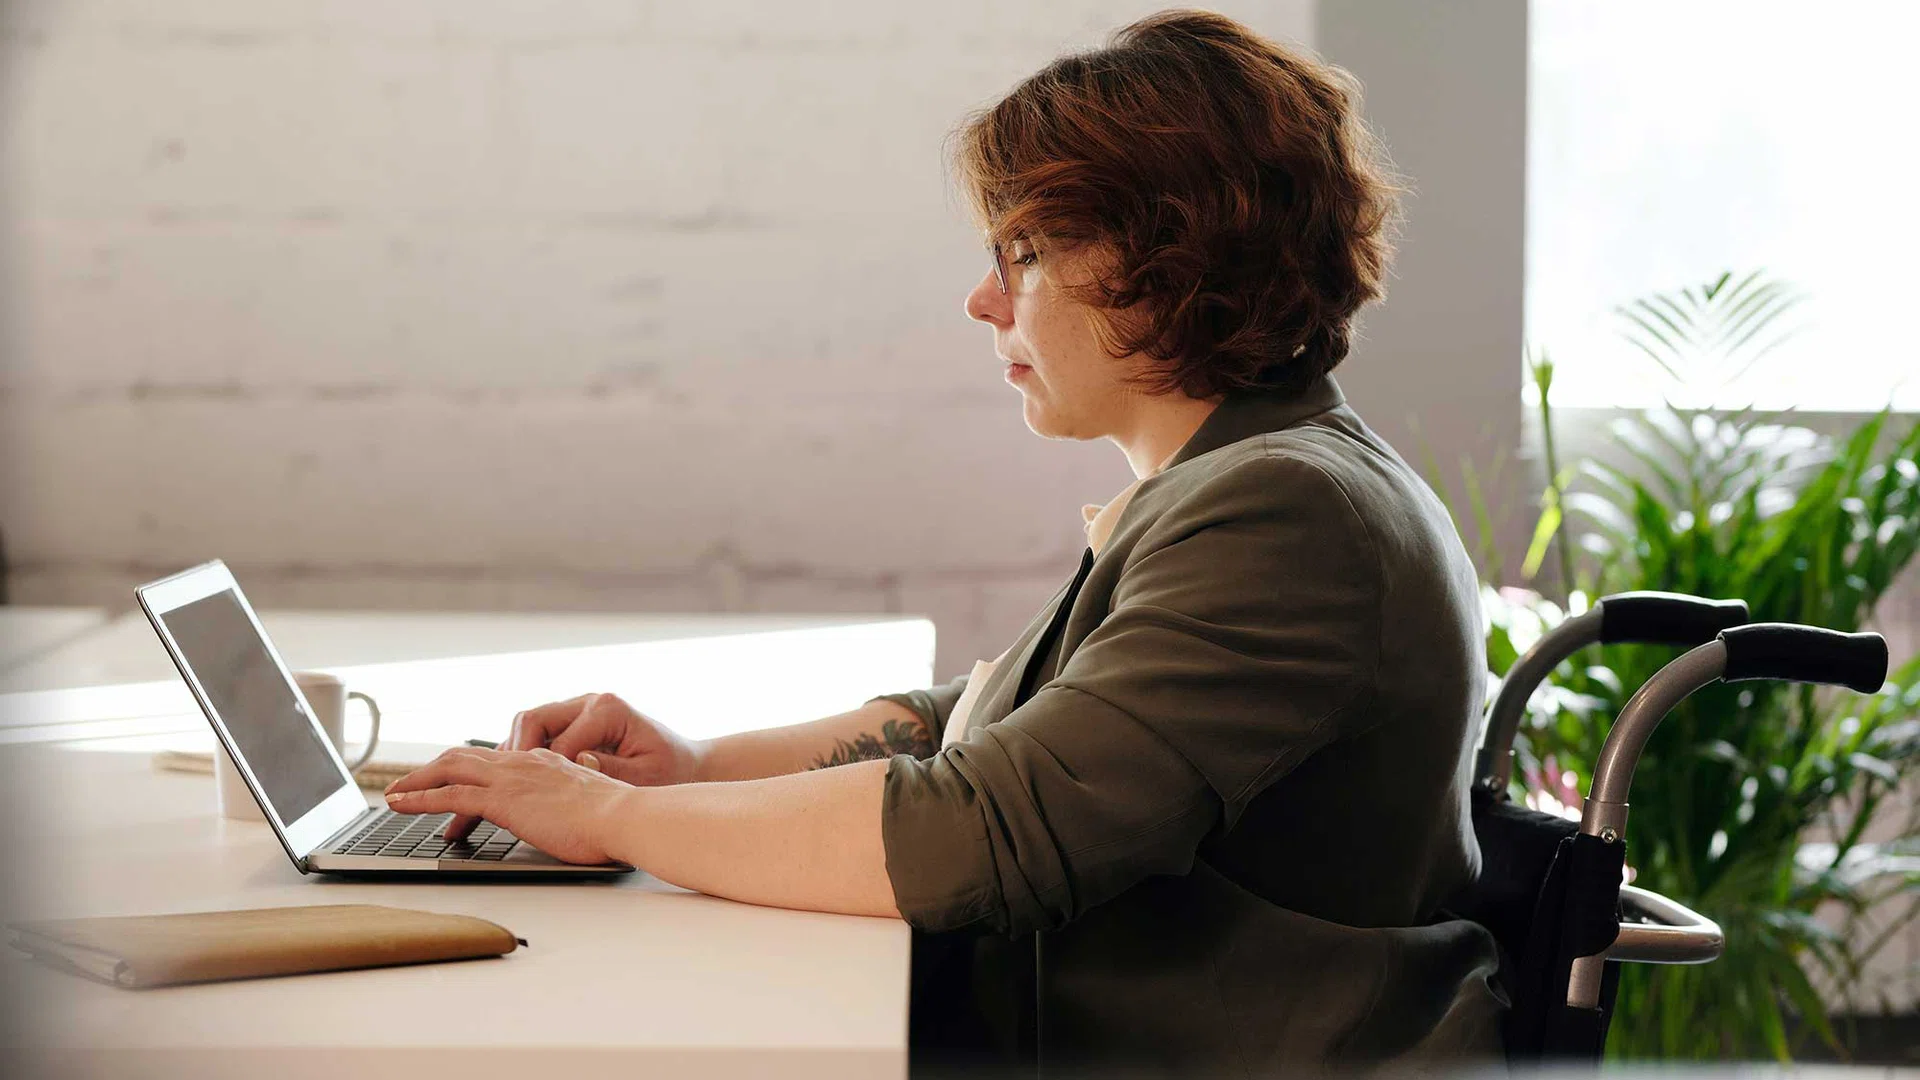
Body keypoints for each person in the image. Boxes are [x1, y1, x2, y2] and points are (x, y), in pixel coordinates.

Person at [386, 9, 1505, 1073]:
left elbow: (992, 828)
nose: (983, 300)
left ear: (1168, 262)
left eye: (1023, 252)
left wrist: (618, 819)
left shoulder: (1286, 517)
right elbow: (984, 724)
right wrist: (692, 766)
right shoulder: (1254, 476)